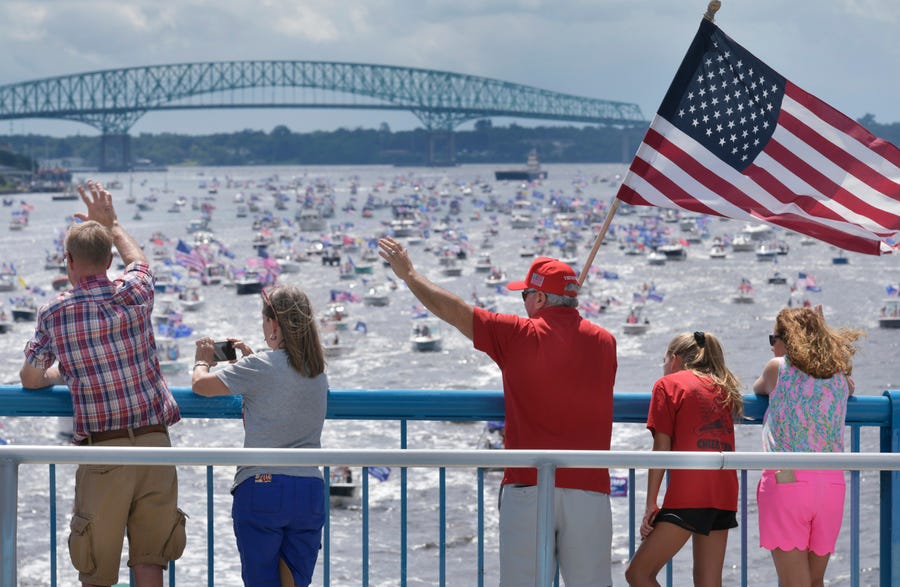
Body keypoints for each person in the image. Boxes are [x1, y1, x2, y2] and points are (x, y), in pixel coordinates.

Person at [378, 237, 617, 587]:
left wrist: (410, 275)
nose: (522, 303)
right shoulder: (605, 342)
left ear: (539, 298)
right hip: (590, 487)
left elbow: (455, 311)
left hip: (529, 485)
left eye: (524, 296)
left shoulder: (517, 335)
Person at [19, 180, 185, 587]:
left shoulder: (55, 313)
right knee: (151, 561)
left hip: (104, 451)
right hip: (154, 444)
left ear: (68, 262)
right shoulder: (135, 292)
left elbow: (32, 377)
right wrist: (112, 224)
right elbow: (141, 262)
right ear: (109, 259)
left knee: (96, 569)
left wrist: (65, 371)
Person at [191, 284, 328, 587]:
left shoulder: (260, 367)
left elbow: (201, 385)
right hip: (309, 490)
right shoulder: (318, 370)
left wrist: (202, 359)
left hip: (262, 487)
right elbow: (280, 389)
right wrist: (251, 360)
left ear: (274, 323)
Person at [753, 306, 862, 587]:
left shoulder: (777, 369)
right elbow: (845, 387)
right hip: (831, 485)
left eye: (773, 338)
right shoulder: (840, 378)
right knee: (814, 581)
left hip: (787, 482)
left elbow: (758, 389)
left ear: (787, 339)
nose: (772, 345)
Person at [625, 331, 743, 587]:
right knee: (708, 582)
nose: (664, 366)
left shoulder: (668, 385)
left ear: (675, 359)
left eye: (664, 360)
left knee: (638, 574)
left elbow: (661, 447)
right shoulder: (722, 386)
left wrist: (650, 504)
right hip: (724, 493)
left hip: (689, 496)